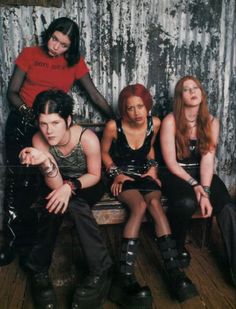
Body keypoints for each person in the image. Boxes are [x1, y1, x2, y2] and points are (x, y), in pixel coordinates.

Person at [1, 16, 113, 266]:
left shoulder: (74, 63)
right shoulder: (30, 54)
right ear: (48, 34)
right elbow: (12, 92)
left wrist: (116, 120)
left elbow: (94, 94)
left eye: (63, 44)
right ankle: (11, 244)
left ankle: (32, 248)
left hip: (49, 128)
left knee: (39, 185)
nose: (55, 47)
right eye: (54, 39)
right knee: (17, 183)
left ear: (70, 47)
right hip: (23, 123)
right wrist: (32, 117)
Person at [101, 84, 198, 308]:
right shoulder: (113, 127)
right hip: (121, 175)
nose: (136, 113)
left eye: (140, 107)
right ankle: (123, 277)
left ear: (148, 106)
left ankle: (175, 272)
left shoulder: (155, 123)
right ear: (123, 110)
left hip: (144, 174)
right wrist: (116, 174)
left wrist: (153, 168)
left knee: (154, 203)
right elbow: (104, 152)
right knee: (139, 207)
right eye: (130, 108)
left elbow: (150, 149)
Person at [19, 89, 113, 309]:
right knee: (54, 204)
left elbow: (95, 175)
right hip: (57, 182)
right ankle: (39, 270)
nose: (48, 130)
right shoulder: (38, 139)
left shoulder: (87, 139)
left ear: (68, 120)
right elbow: (54, 184)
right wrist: (45, 161)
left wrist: (70, 186)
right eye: (43, 123)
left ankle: (100, 272)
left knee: (74, 202)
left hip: (88, 181)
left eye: (55, 123)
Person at [160, 75, 236, 288]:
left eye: (196, 88)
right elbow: (171, 163)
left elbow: (207, 159)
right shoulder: (170, 121)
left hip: (202, 172)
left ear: (202, 94)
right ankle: (177, 245)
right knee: (186, 203)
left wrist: (205, 190)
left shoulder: (211, 122)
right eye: (186, 89)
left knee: (227, 206)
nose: (193, 92)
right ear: (180, 96)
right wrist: (195, 187)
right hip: (176, 173)